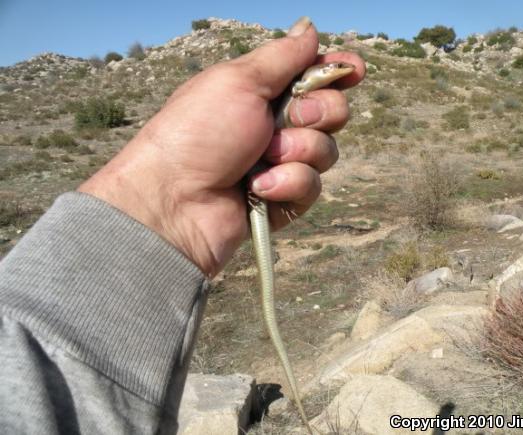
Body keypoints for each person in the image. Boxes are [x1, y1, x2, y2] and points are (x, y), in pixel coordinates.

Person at [0, 17, 365, 433]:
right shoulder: (290, 88)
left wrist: (174, 214)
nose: (338, 73)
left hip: (247, 190)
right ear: (311, 73)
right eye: (331, 69)